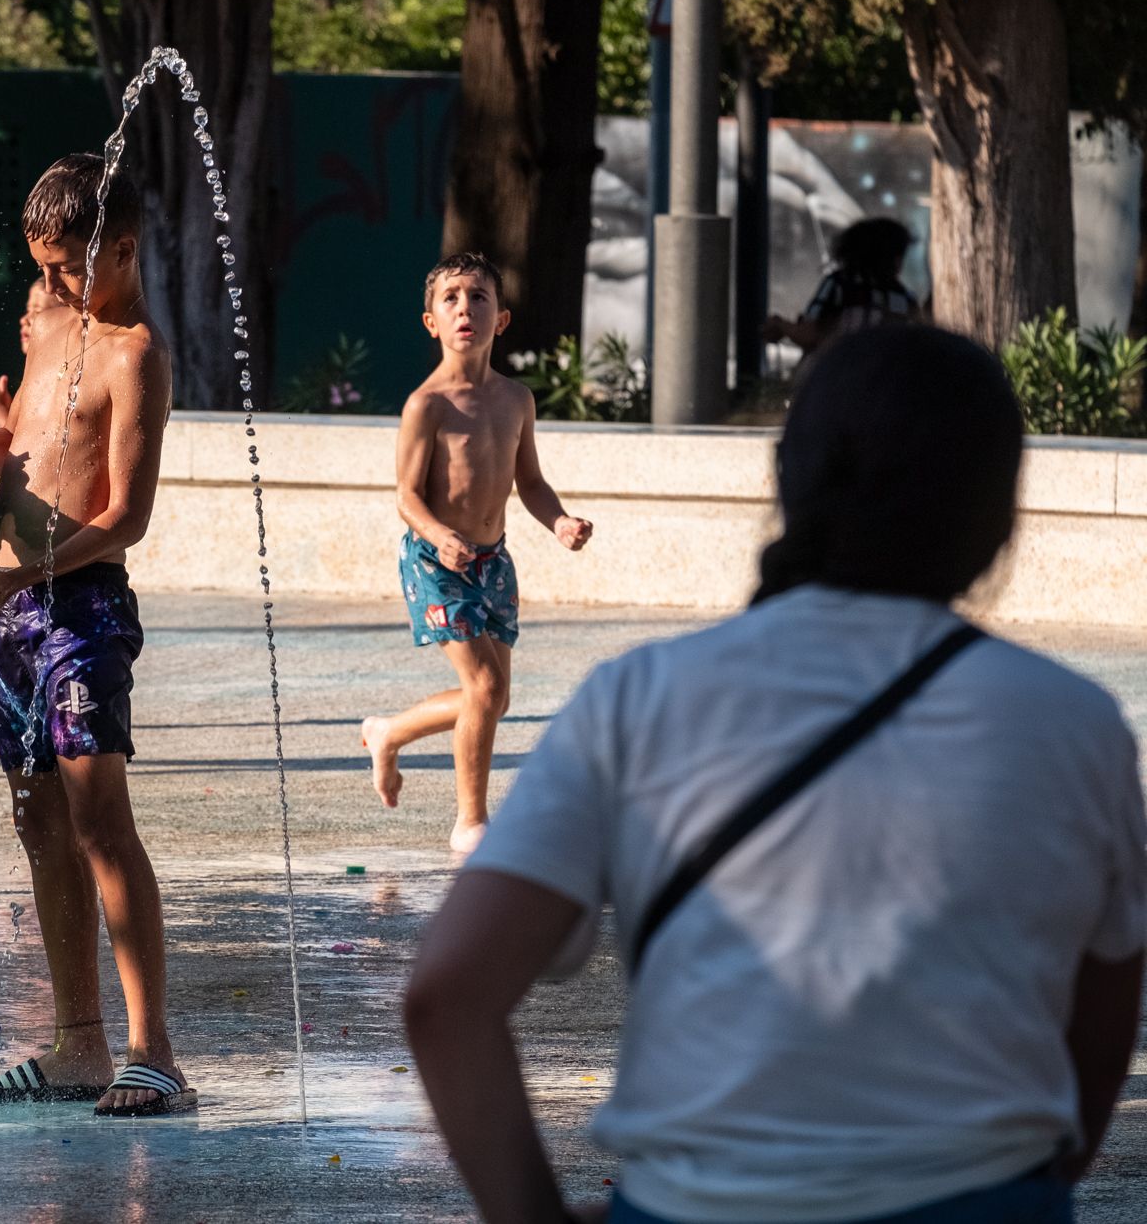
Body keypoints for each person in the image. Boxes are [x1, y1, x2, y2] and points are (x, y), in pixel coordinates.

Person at [405, 324, 1146, 1224]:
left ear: (790, 479)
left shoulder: (638, 700)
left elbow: (448, 997)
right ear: (997, 516)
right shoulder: (1074, 725)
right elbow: (1100, 1034)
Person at [0, 154, 193, 1116]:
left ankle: (152, 1048)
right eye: (40, 264)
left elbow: (124, 517)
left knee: (97, 819)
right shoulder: (48, 328)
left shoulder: (137, 355)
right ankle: (78, 1042)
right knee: (37, 820)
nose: (47, 284)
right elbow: (36, 453)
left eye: (68, 266)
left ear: (121, 250)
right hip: (11, 613)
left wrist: (26, 570)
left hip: (81, 610)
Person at [359, 253, 592, 855]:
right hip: (436, 563)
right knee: (485, 686)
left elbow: (531, 483)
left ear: (503, 318)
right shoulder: (427, 405)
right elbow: (407, 497)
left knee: (493, 698)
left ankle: (389, 732)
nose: (467, 307)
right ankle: (471, 823)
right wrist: (439, 535)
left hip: (493, 561)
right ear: (431, 322)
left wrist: (559, 521)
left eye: (479, 297)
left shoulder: (516, 400)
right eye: (452, 299)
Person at [765, 216, 920, 355]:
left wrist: (781, 325)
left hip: (841, 380)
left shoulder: (840, 284)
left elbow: (809, 335)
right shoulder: (906, 298)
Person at [0, 277, 62, 430]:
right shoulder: (38, 373)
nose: (24, 320)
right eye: (28, 311)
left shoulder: (59, 378)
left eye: (38, 312)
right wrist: (10, 411)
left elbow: (30, 445)